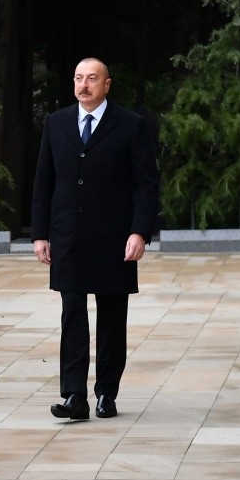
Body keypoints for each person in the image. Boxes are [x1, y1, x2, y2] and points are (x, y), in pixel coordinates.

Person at [30, 57, 159, 421]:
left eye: (91, 79)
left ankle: (106, 393)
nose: (83, 85)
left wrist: (139, 231)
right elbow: (44, 181)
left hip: (114, 239)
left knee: (112, 317)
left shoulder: (130, 125)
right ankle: (74, 396)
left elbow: (146, 185)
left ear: (107, 84)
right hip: (68, 237)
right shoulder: (56, 124)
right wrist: (40, 233)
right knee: (72, 314)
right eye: (78, 78)